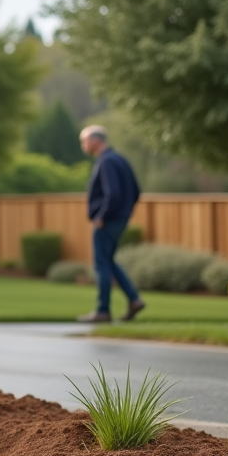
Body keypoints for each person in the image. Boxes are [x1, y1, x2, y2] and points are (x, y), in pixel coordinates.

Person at [77, 125, 145, 323]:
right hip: (120, 218)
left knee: (101, 264)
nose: (83, 145)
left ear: (95, 140)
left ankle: (102, 310)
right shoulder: (119, 159)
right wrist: (126, 212)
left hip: (107, 221)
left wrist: (101, 216)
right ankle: (134, 299)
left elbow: (112, 193)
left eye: (84, 140)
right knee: (110, 261)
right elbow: (136, 191)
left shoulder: (106, 161)